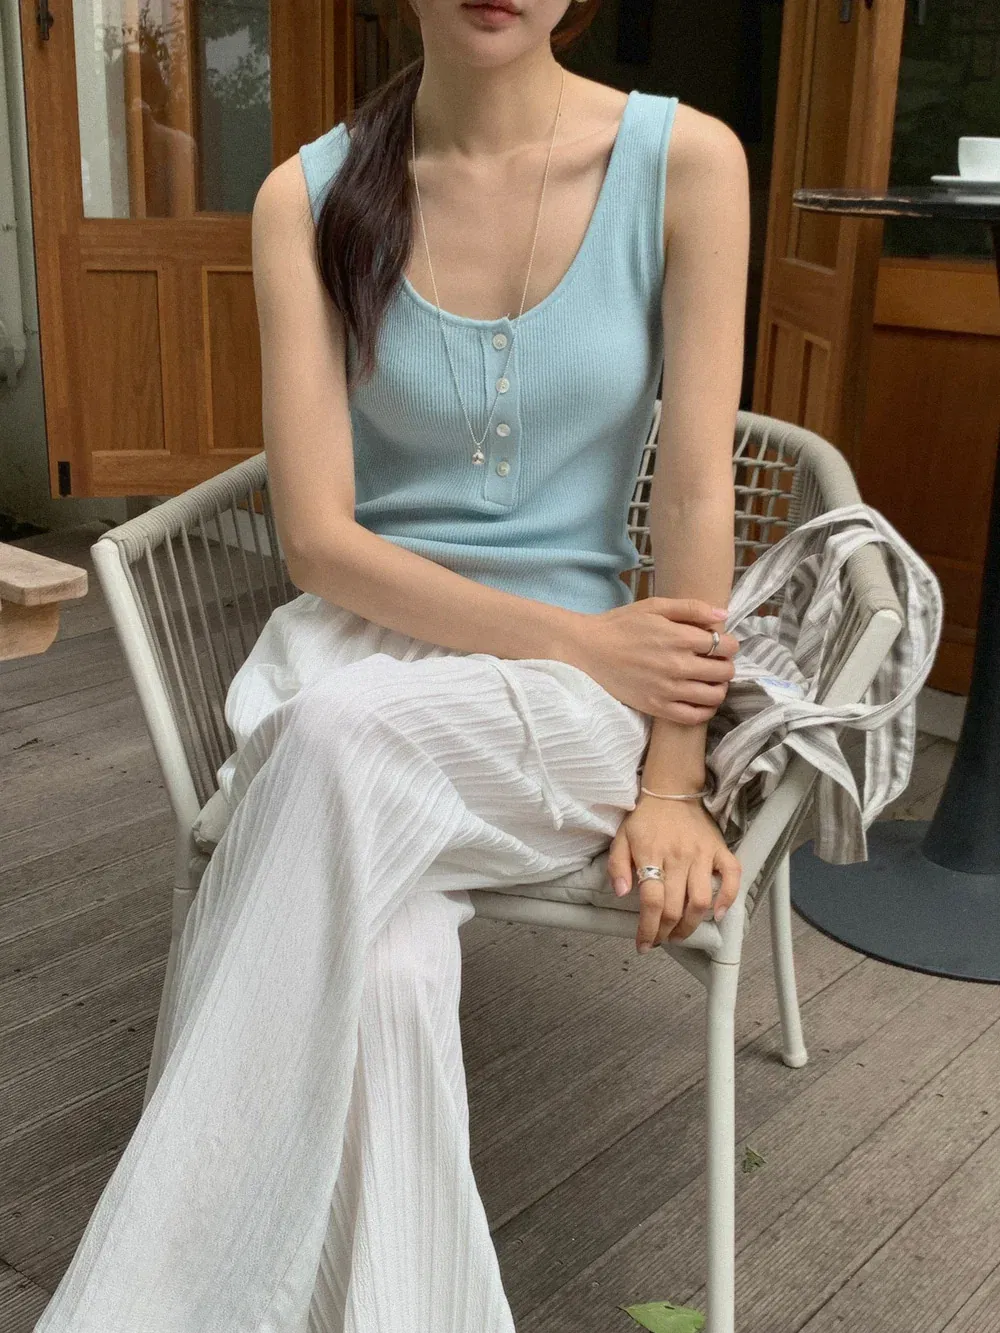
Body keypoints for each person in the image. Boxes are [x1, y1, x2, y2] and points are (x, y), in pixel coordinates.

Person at [33, 1, 750, 1329]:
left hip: (571, 702)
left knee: (333, 742)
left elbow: (698, 494)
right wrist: (586, 637)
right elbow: (316, 543)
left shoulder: (685, 163)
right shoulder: (306, 197)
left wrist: (674, 780)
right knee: (387, 964)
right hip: (372, 647)